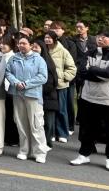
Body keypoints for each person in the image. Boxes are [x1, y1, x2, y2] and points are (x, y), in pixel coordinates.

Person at [71, 30, 109, 171]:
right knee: (87, 128)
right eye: (98, 37)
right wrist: (96, 73)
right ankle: (84, 154)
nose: (100, 39)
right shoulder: (90, 53)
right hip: (89, 97)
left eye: (104, 37)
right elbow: (81, 72)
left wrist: (92, 70)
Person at [6, 35, 49, 163]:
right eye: (19, 43)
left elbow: (43, 77)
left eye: (24, 43)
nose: (21, 45)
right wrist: (15, 82)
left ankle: (40, 152)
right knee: (21, 123)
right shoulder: (13, 58)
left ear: (31, 45)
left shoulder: (38, 59)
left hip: (33, 95)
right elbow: (7, 72)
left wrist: (26, 84)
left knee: (36, 124)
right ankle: (24, 150)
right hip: (17, 94)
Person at [44, 31, 76, 142]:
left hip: (60, 86)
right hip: (47, 86)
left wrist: (62, 77)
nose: (47, 40)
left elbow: (72, 68)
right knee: (49, 110)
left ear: (55, 39)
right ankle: (51, 133)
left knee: (61, 110)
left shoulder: (63, 51)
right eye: (46, 37)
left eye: (49, 38)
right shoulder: (43, 50)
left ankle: (62, 133)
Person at [35, 39, 59, 151]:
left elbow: (51, 82)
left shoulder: (48, 62)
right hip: (35, 96)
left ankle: (48, 143)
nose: (34, 49)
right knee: (37, 122)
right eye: (32, 47)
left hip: (48, 96)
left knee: (48, 122)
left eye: (36, 47)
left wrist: (38, 90)